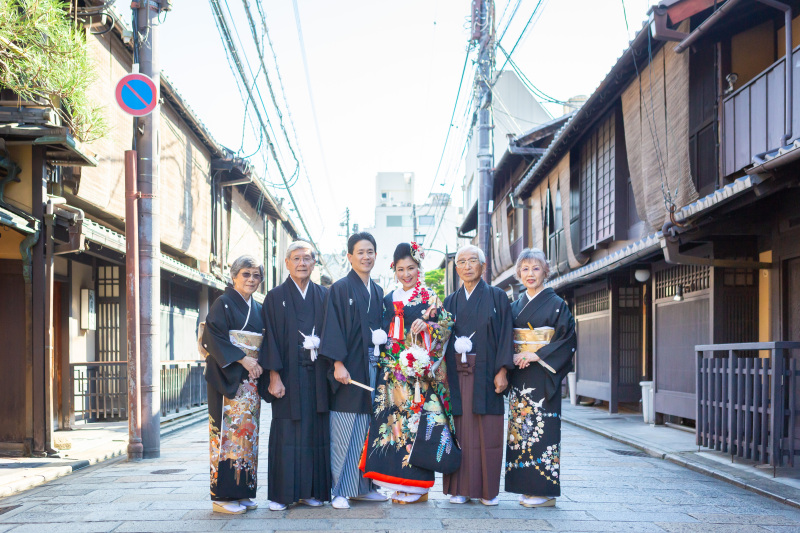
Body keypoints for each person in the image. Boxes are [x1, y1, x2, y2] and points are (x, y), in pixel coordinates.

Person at [362, 242, 453, 504]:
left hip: (418, 374)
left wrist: (427, 326)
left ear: (418, 268)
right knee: (392, 428)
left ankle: (418, 488)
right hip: (392, 374)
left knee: (416, 427)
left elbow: (446, 326)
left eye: (411, 268)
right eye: (400, 269)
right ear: (394, 269)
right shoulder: (388, 298)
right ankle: (397, 483)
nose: (406, 274)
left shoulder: (430, 297)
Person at [319, 232, 389, 510]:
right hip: (349, 369)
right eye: (360, 252)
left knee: (369, 429)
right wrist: (337, 363)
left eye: (370, 251)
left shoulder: (378, 291)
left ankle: (364, 486)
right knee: (345, 429)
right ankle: (338, 489)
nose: (366, 257)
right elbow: (332, 327)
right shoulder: (340, 289)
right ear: (350, 257)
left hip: (373, 366)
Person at [261, 241, 332, 511]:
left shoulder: (324, 295)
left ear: (315, 263)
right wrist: (274, 377)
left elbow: (334, 334)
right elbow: (270, 340)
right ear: (287, 263)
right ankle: (281, 495)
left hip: (316, 376)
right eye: (296, 258)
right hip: (287, 375)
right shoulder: (275, 296)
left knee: (315, 432)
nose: (302, 263)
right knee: (286, 432)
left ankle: (312, 492)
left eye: (307, 258)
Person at [442, 244, 514, 506]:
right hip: (456, 376)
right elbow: (441, 340)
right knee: (459, 432)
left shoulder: (497, 297)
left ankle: (488, 491)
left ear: (483, 266)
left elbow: (507, 334)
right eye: (461, 262)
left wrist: (503, 370)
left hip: (487, 374)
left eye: (473, 260)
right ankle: (459, 489)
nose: (467, 265)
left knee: (488, 433)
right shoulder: (450, 301)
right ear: (457, 268)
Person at [506, 248, 576, 508]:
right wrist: (511, 357)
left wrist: (536, 355)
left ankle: (545, 491)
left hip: (544, 375)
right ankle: (526, 487)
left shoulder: (557, 305)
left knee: (543, 432)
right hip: (519, 375)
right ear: (518, 274)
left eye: (536, 268)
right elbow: (506, 338)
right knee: (520, 432)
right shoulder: (513, 307)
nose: (530, 274)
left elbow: (567, 339)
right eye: (524, 269)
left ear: (546, 271)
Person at [202, 255, 266, 514]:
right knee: (227, 435)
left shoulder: (259, 308)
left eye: (256, 276)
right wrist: (242, 359)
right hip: (227, 377)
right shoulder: (223, 303)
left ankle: (243, 491)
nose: (251, 279)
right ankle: (222, 496)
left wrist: (257, 364)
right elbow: (211, 337)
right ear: (234, 276)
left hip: (251, 380)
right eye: (246, 274)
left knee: (248, 434)